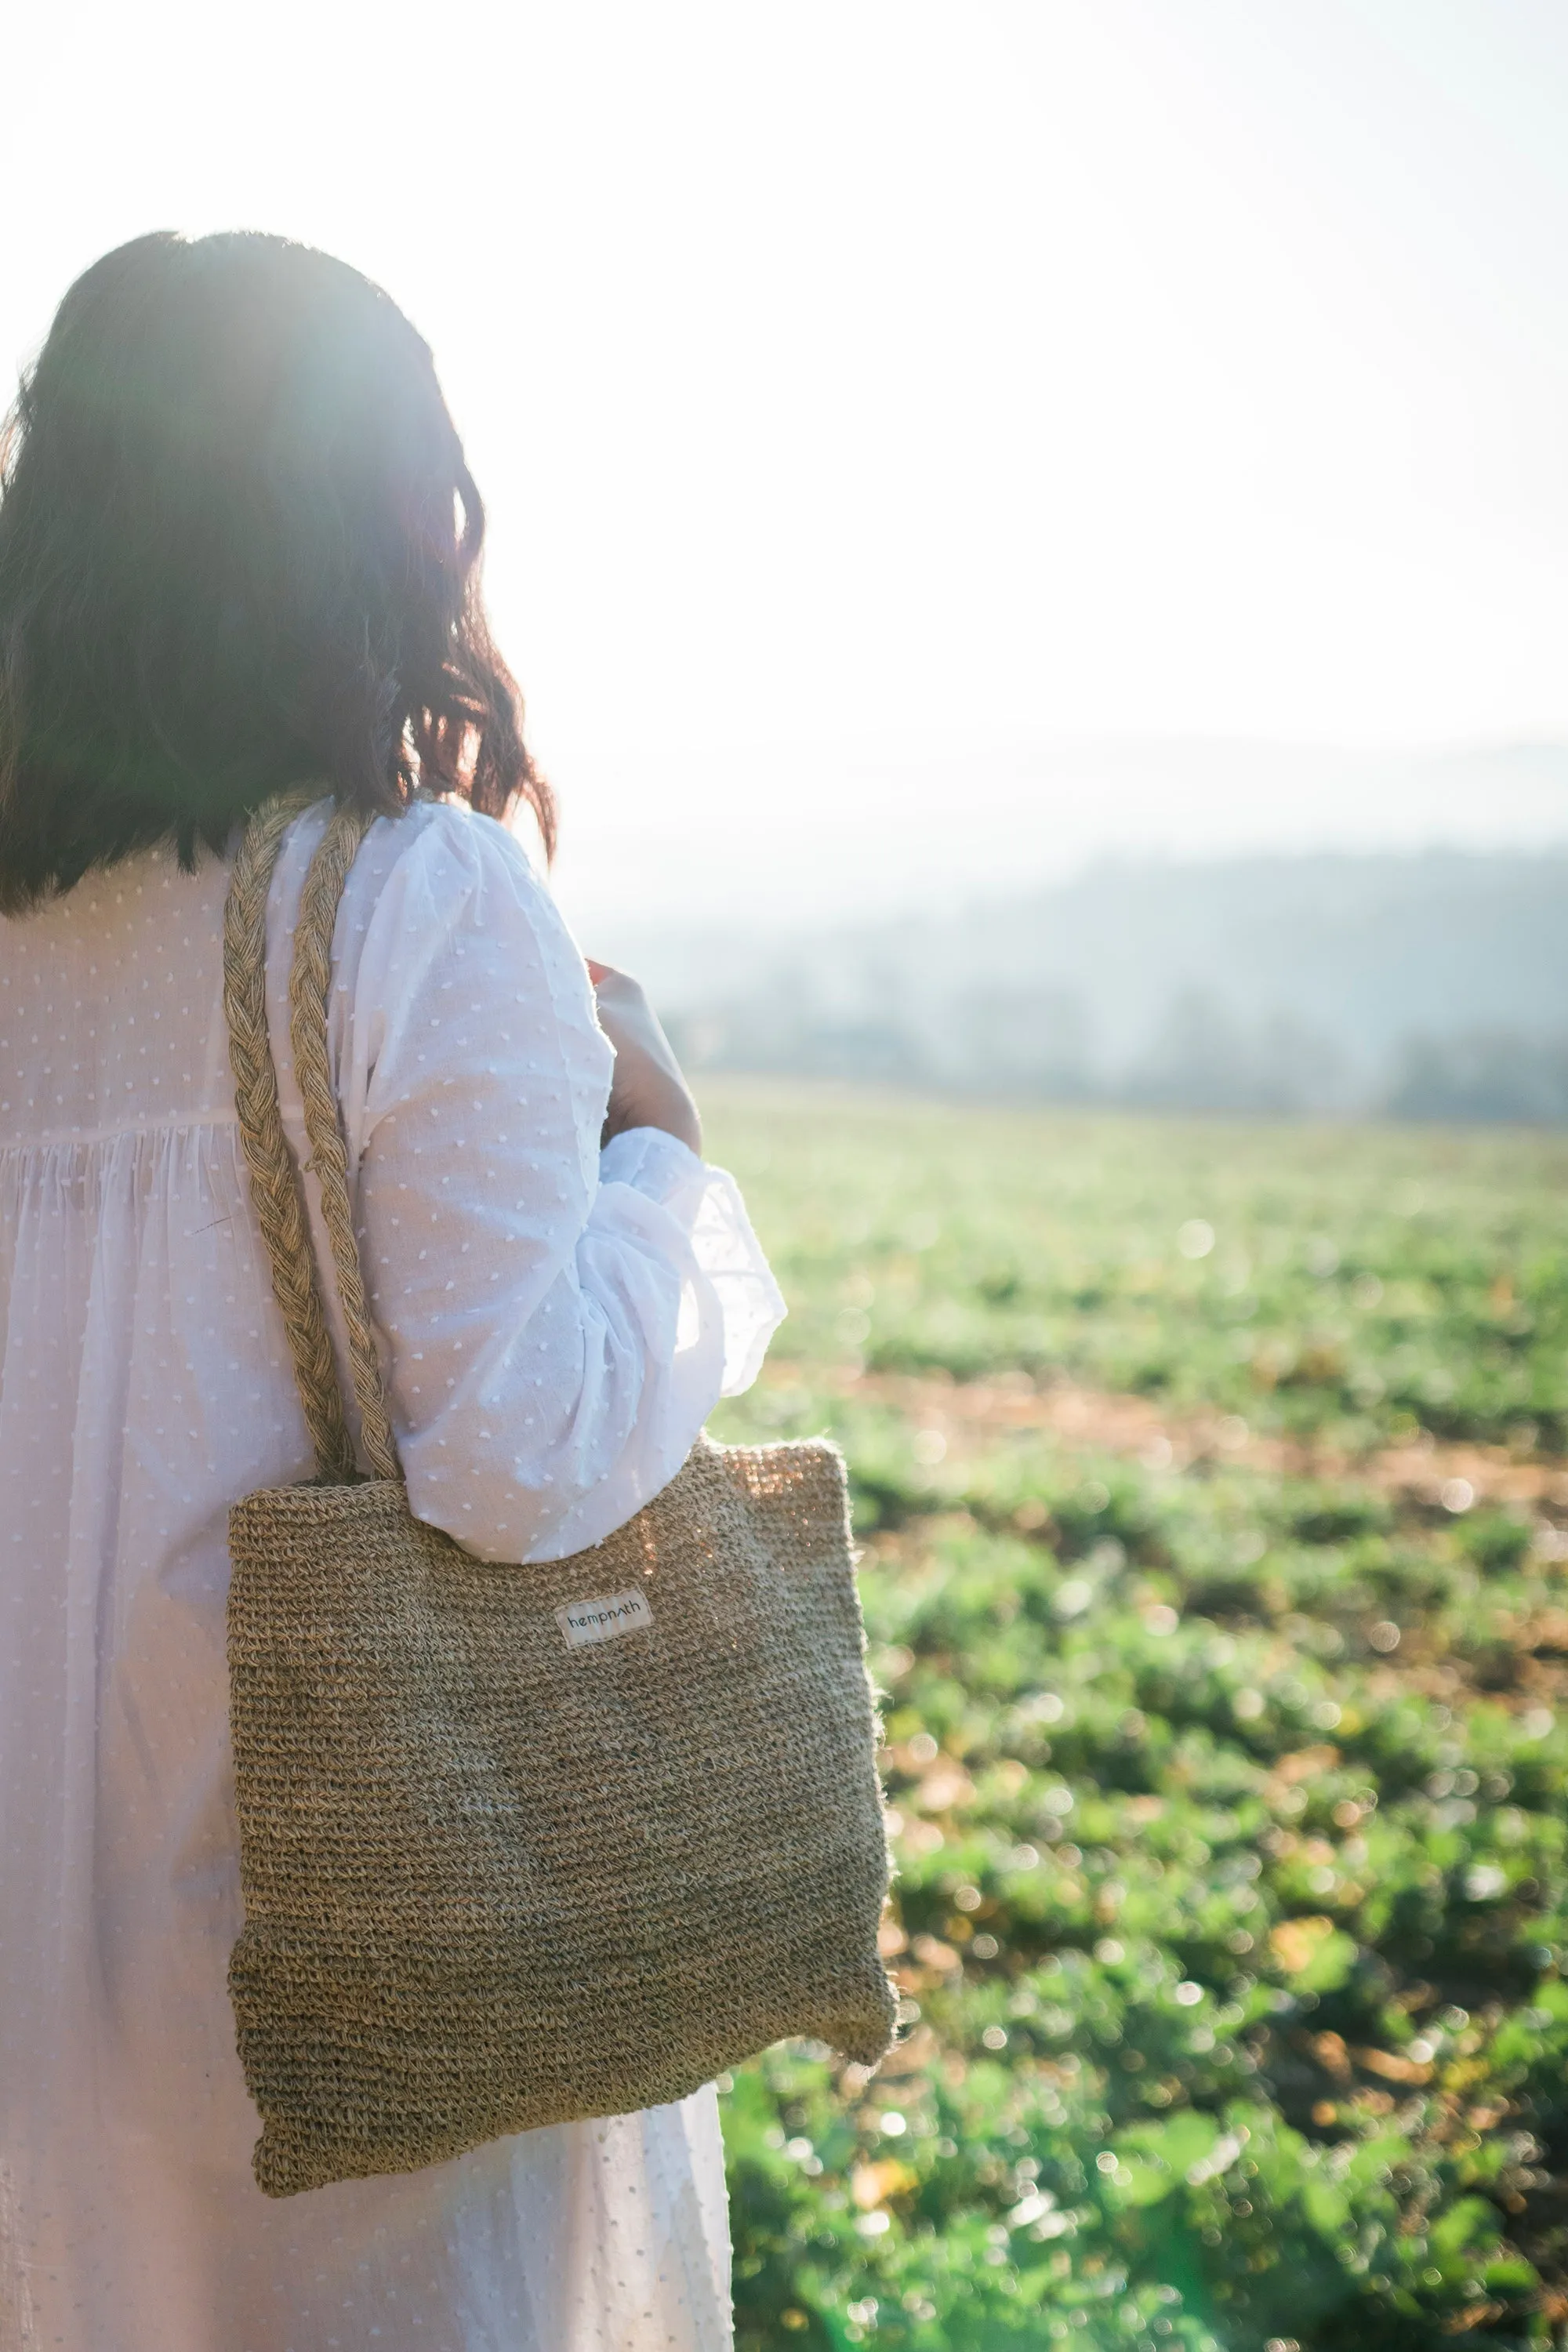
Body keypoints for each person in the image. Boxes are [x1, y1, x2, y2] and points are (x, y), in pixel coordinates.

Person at [0, 231, 784, 2352]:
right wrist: (661, 1164)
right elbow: (520, 1459)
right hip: (328, 1906)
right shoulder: (411, 902)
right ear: (381, 524)